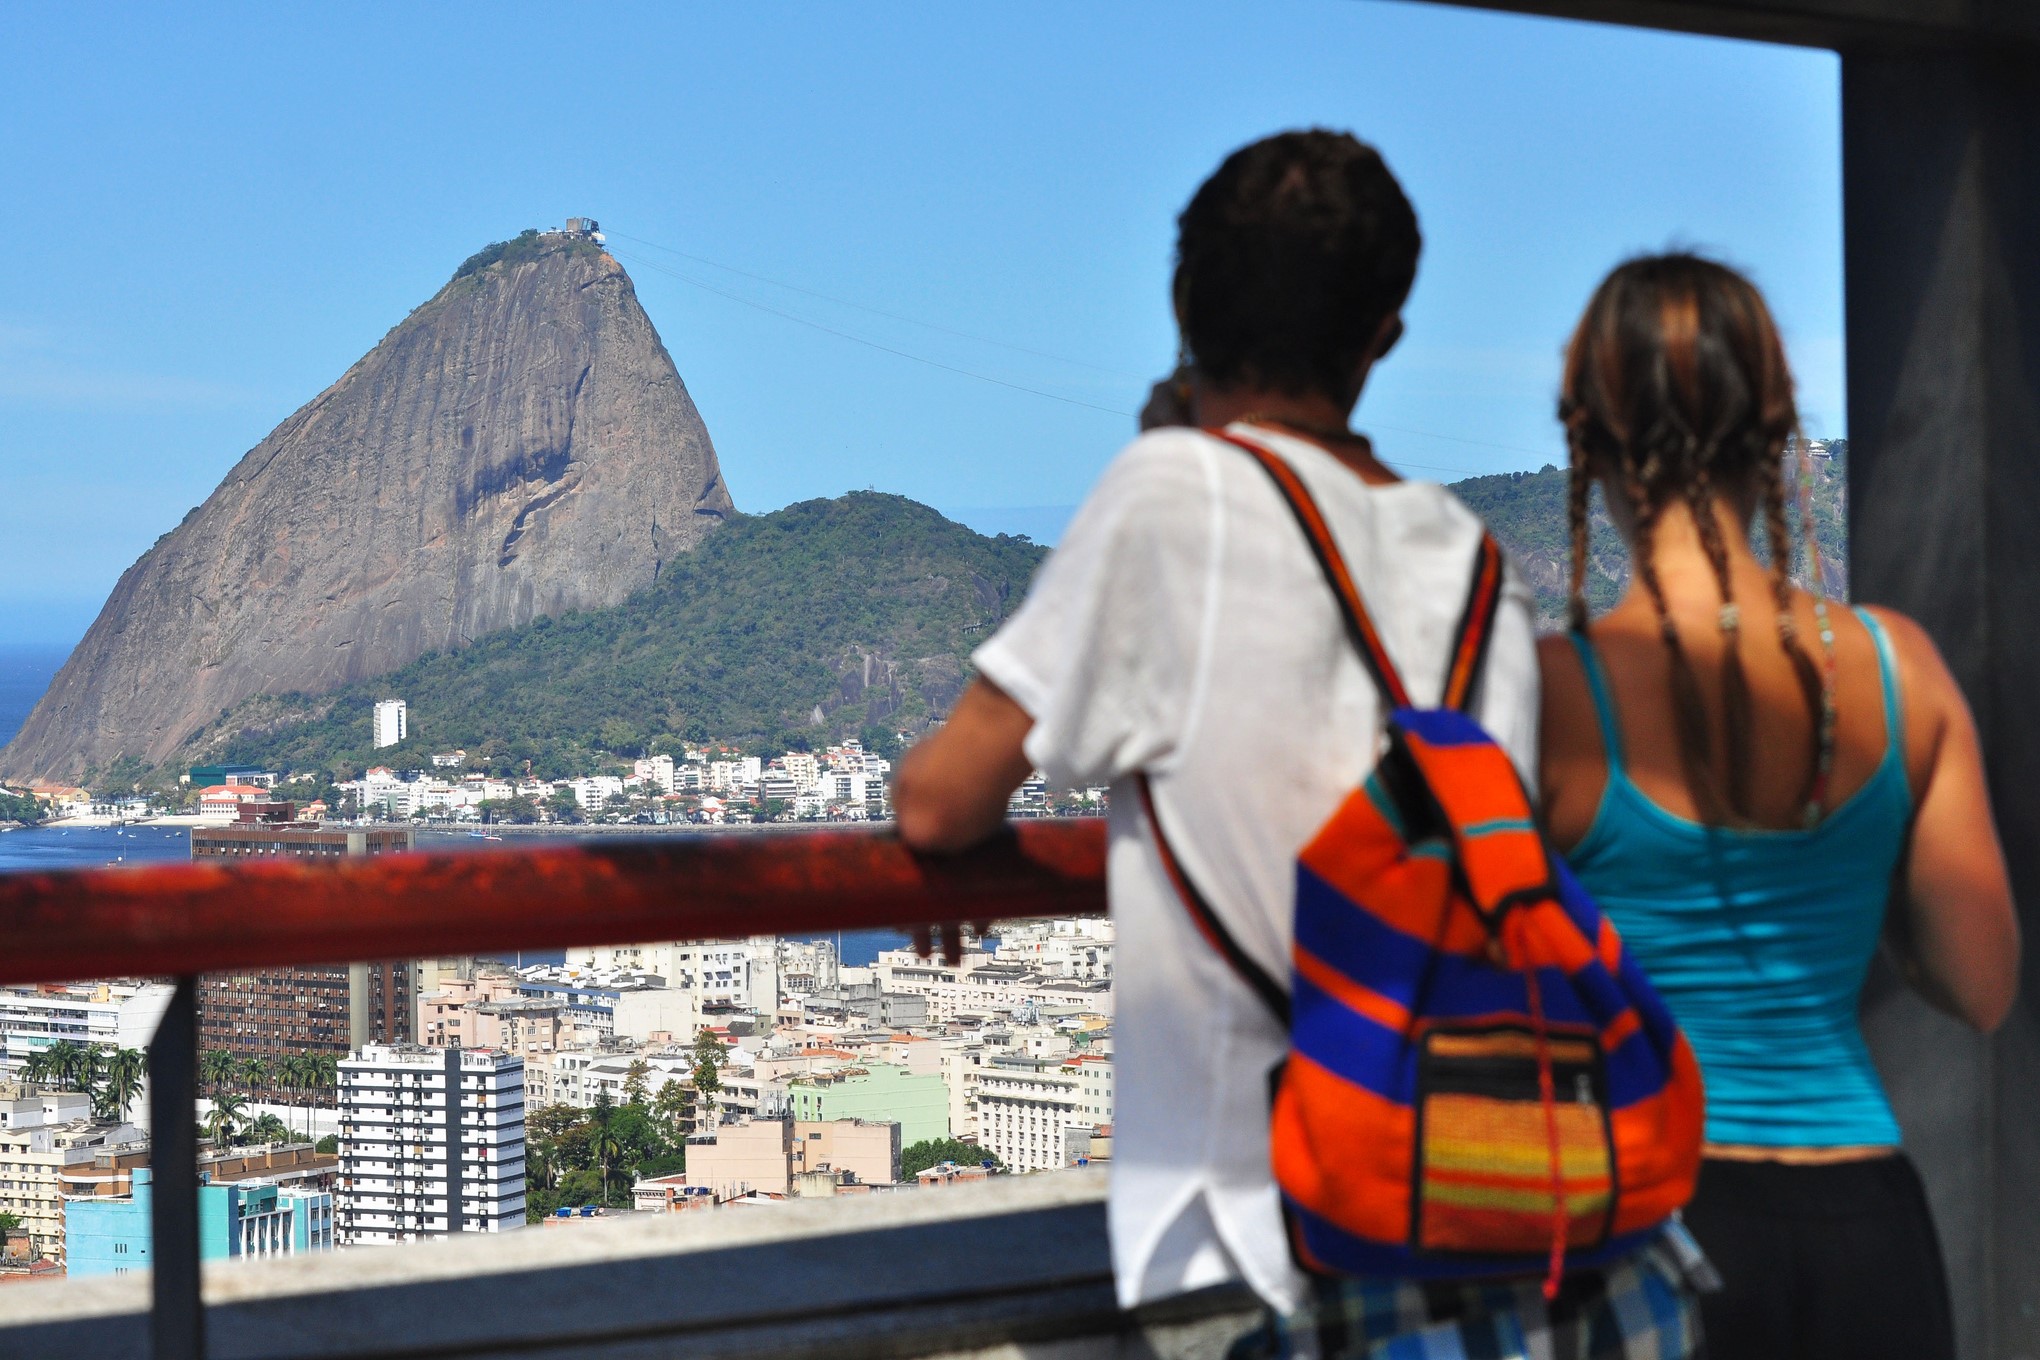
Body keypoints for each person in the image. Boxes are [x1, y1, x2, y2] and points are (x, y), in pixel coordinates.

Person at [893, 130, 1701, 1359]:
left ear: (1183, 304)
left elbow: (940, 800)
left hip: (1247, 1245)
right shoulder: (1469, 560)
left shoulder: (1167, 500)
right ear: (1384, 335)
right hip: (1466, 1194)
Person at [1537, 253, 2020, 1359]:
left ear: (1592, 438)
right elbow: (1981, 984)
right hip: (1871, 1225)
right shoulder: (1902, 671)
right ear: (1774, 429)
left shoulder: (1554, 695)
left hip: (1653, 1230)